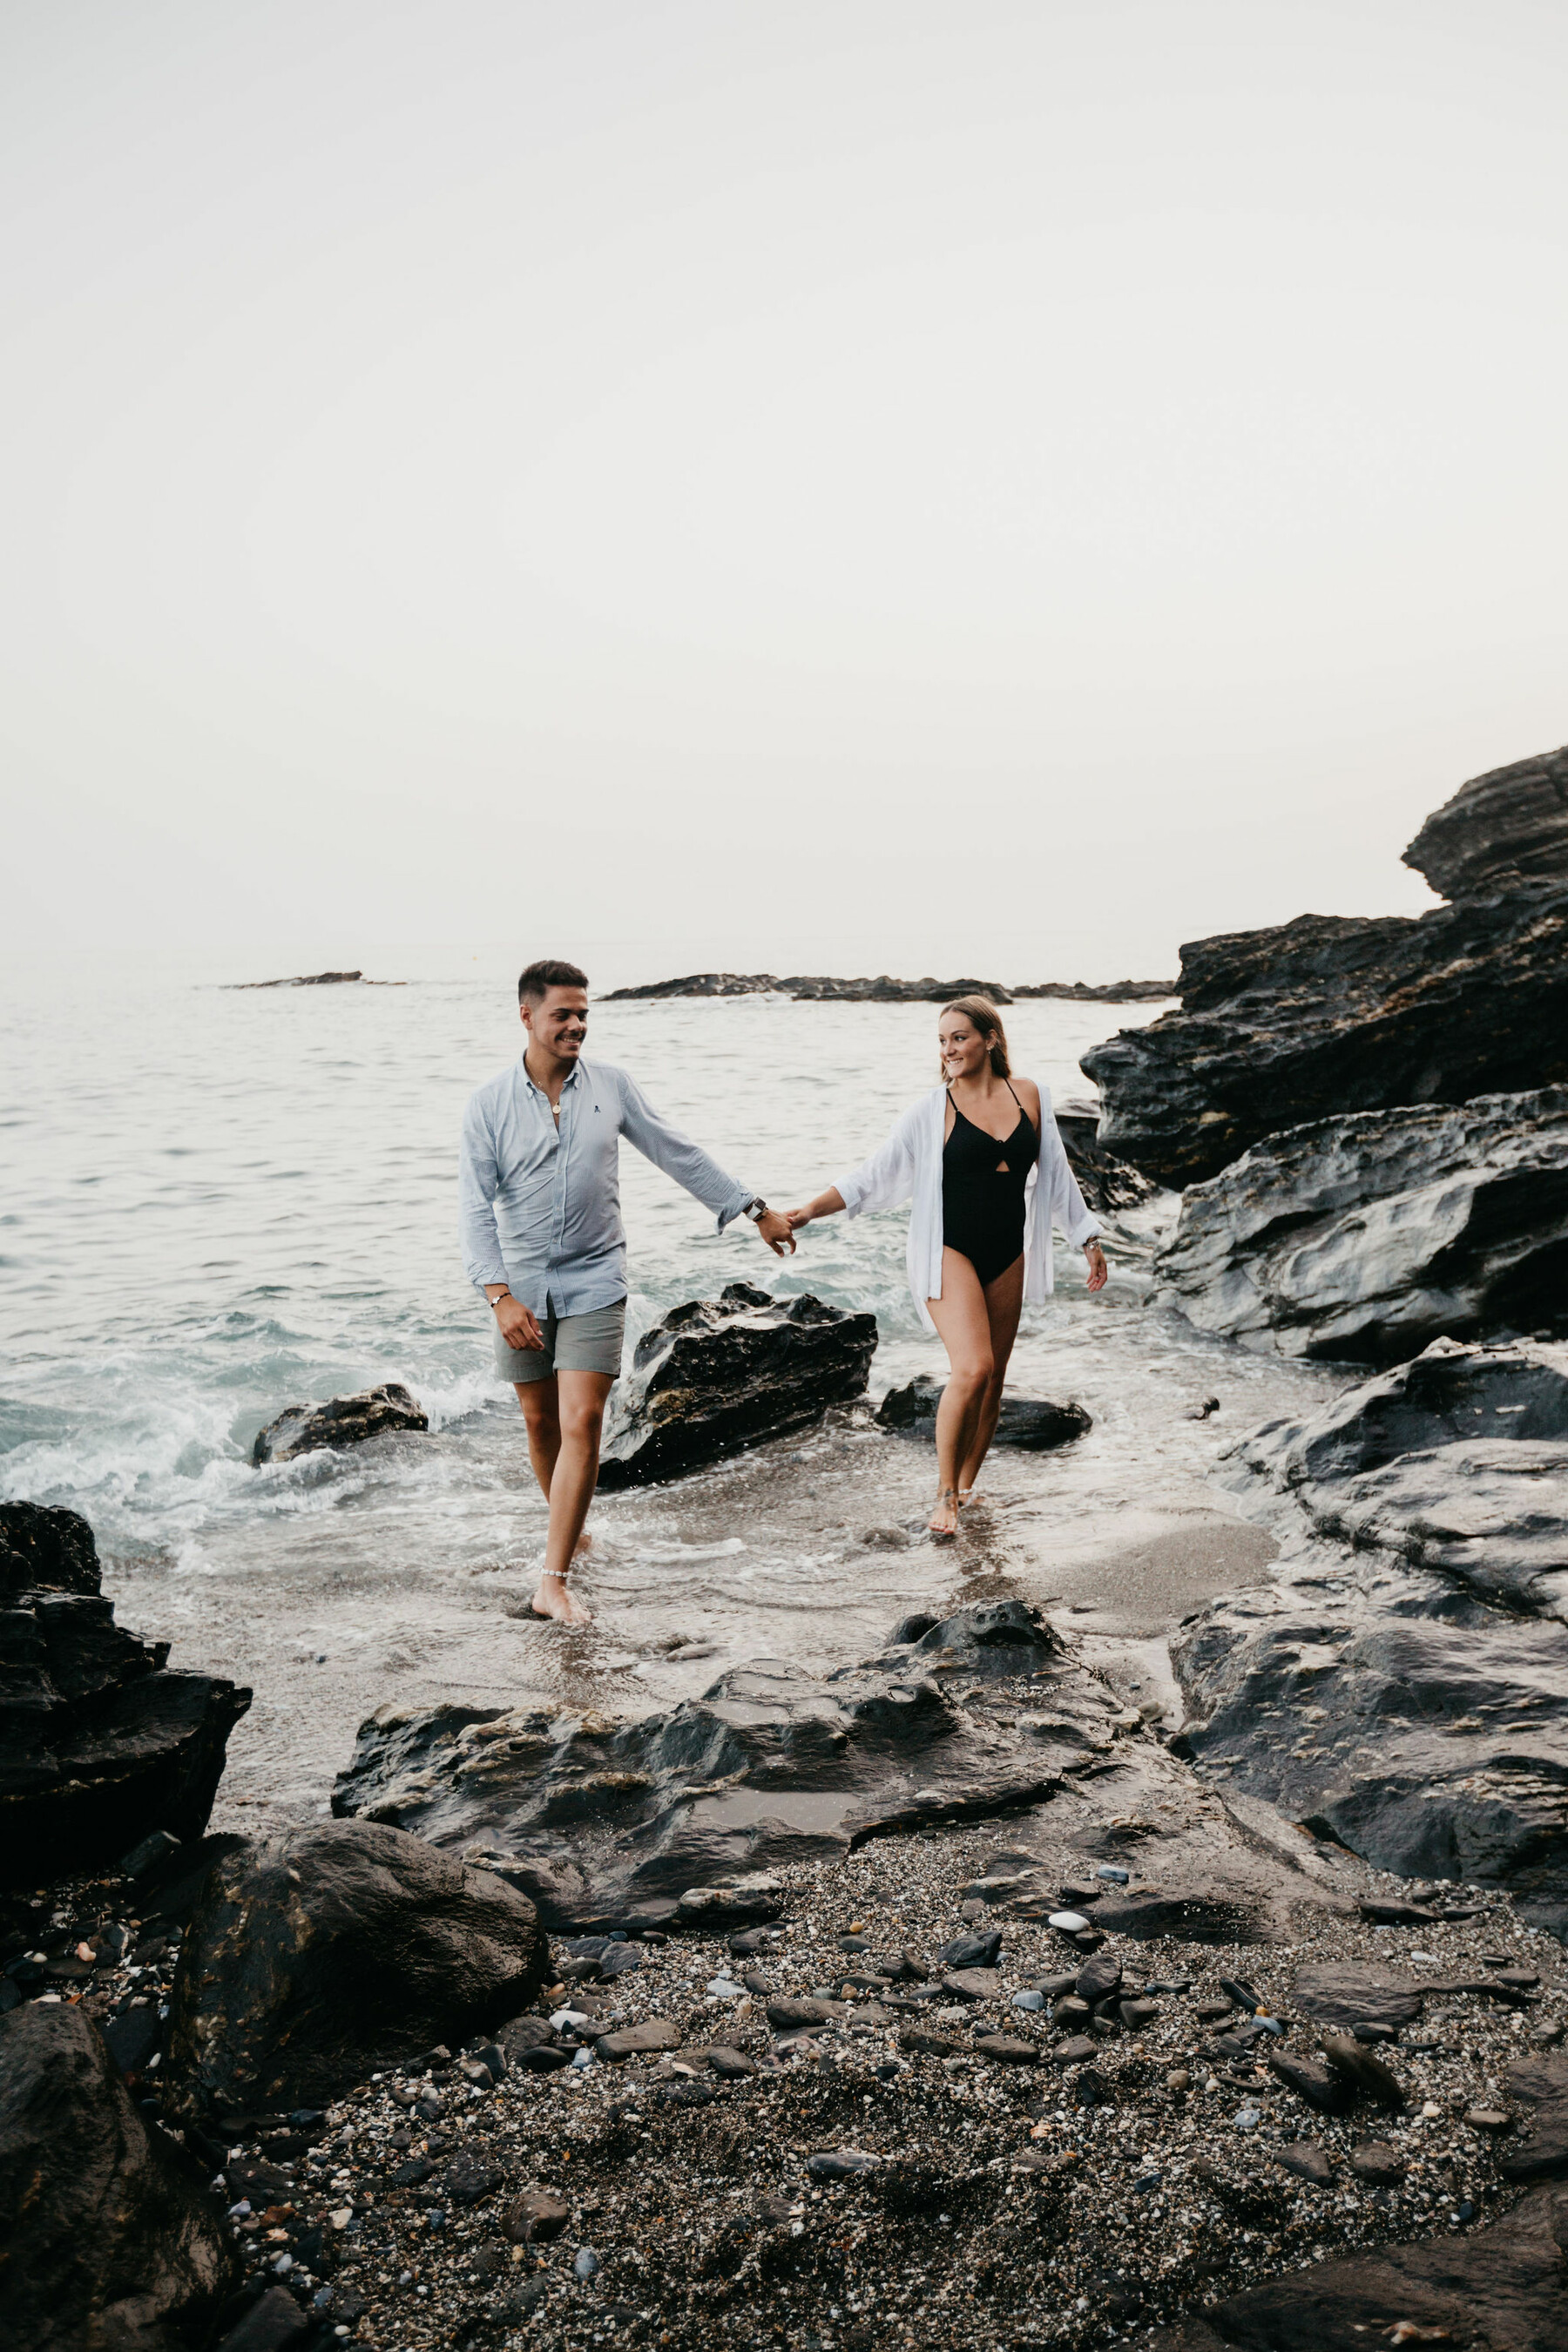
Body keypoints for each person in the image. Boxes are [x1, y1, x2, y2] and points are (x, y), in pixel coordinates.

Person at [459, 958, 795, 1625]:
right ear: (527, 1016)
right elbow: (474, 1209)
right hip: (520, 1290)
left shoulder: (611, 1088)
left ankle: (551, 1580)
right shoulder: (489, 1105)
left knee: (583, 1419)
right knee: (540, 1422)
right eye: (563, 1014)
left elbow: (678, 1152)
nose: (577, 1025)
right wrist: (499, 1297)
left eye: (584, 1013)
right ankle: (572, 1532)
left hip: (595, 1279)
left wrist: (753, 1209)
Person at [784, 995, 1107, 1536]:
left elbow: (1056, 1172)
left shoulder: (1031, 1095)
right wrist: (810, 1210)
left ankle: (966, 1488)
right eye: (942, 1040)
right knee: (973, 1368)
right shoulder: (931, 1111)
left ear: (990, 1039)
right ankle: (943, 1498)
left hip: (1007, 1249)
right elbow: (873, 1175)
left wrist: (1086, 1236)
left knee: (995, 1380)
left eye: (958, 1037)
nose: (948, 1049)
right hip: (947, 1249)